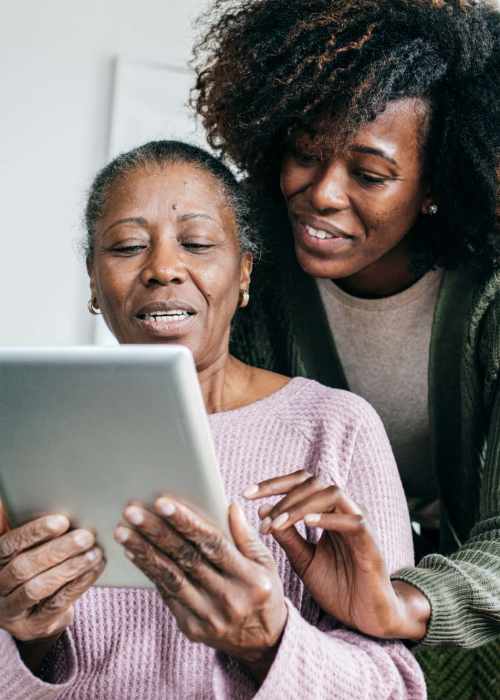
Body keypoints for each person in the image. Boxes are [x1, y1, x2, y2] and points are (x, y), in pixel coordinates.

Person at [0, 141, 426, 699]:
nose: (163, 269)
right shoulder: (22, 431)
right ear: (92, 281)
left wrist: (264, 642)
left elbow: (394, 688)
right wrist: (23, 639)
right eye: (127, 246)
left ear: (244, 271)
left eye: (197, 243)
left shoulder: (335, 426)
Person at [192, 1, 500, 697]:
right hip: (307, 629)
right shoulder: (254, 277)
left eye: (368, 174)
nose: (321, 194)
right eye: (305, 153)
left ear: (433, 186)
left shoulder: (490, 297)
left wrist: (400, 603)